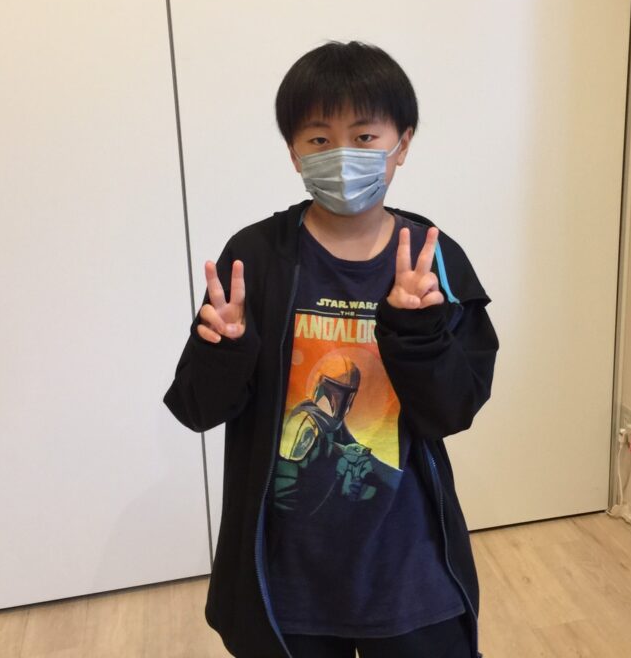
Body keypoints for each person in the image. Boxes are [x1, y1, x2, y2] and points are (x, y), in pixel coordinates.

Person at [163, 40, 499, 658]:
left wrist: (419, 329)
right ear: (294, 152)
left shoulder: (433, 261)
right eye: (319, 139)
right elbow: (196, 408)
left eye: (365, 136)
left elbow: (453, 411)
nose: (342, 155)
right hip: (287, 581)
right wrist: (226, 349)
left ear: (402, 143)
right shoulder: (256, 258)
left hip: (410, 570)